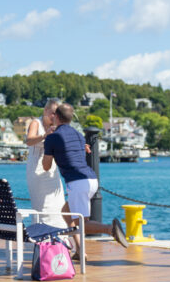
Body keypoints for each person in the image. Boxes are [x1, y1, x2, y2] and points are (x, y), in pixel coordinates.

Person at [42, 102, 128, 257]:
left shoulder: (52, 138)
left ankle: (110, 229)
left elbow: (46, 166)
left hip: (77, 183)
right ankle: (80, 250)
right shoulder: (78, 135)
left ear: (56, 117)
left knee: (82, 223)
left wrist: (49, 145)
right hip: (91, 180)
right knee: (67, 212)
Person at [25, 98, 66, 227]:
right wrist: (44, 136)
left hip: (52, 171)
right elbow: (29, 140)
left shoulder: (57, 127)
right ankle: (42, 238)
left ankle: (60, 238)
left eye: (57, 114)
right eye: (52, 113)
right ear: (45, 110)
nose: (54, 116)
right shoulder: (35, 123)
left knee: (58, 203)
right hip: (36, 170)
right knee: (41, 206)